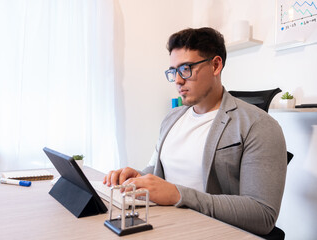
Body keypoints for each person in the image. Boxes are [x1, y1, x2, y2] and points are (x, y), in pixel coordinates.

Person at [103, 27, 287, 235]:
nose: (178, 80)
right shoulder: (172, 118)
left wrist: (178, 194)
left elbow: (262, 215)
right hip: (166, 226)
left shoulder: (259, 125)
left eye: (186, 68)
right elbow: (158, 172)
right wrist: (138, 178)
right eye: (174, 71)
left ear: (216, 65)